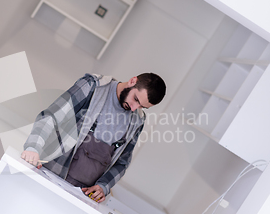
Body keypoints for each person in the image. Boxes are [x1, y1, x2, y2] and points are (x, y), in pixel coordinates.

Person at [21, 73, 166, 203]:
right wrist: (33, 147)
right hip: (49, 175)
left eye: (142, 106)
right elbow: (52, 116)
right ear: (132, 81)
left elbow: (123, 162)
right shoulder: (93, 87)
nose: (134, 108)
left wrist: (104, 186)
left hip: (80, 197)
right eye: (135, 99)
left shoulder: (138, 121)